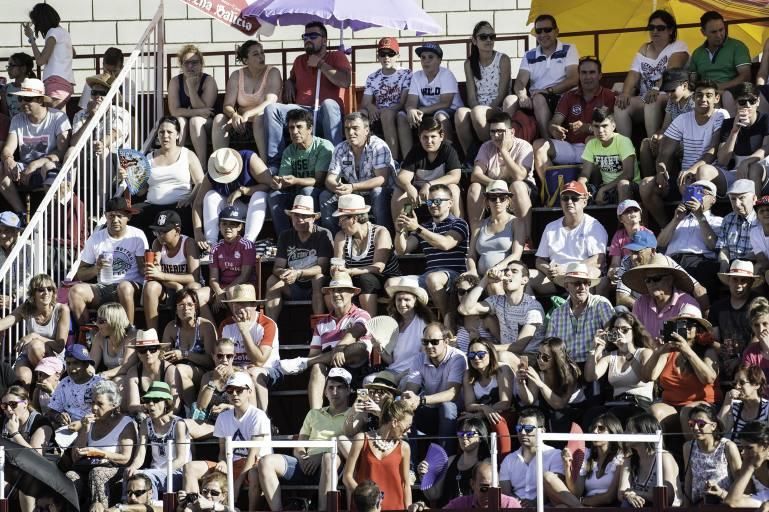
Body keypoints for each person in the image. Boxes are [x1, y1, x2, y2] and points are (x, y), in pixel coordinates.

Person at [256, 368, 351, 512]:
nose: (335, 392)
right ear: (325, 392)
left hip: (333, 463)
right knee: (265, 462)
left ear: (349, 390)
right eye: (331, 387)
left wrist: (318, 457)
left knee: (329, 458)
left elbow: (350, 447)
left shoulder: (353, 415)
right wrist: (302, 457)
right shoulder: (314, 413)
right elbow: (299, 444)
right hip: (306, 464)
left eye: (340, 387)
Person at [263, 21, 351, 168]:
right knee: (271, 109)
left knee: (329, 104)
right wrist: (289, 82)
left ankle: (336, 163)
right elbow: (293, 79)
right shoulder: (299, 60)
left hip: (326, 114)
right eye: (305, 36)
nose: (308, 39)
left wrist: (321, 65)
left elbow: (345, 82)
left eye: (313, 36)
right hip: (302, 112)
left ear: (324, 40)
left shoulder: (336, 57)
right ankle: (275, 164)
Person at [641, 80, 728, 226]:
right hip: (685, 177)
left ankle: (695, 227)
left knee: (695, 178)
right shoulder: (682, 119)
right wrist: (661, 170)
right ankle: (666, 229)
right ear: (694, 98)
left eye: (709, 95)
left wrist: (691, 170)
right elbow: (665, 151)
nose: (703, 99)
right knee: (646, 185)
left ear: (716, 98)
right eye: (699, 95)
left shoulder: (720, 115)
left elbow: (712, 151)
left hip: (710, 175)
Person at [279, 272, 371, 409]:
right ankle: (315, 417)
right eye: (333, 291)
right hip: (330, 369)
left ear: (352, 293)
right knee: (316, 367)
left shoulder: (362, 315)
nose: (336, 294)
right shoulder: (322, 323)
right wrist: (330, 355)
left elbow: (357, 330)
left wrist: (340, 349)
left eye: (341, 290)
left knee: (359, 348)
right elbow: (313, 354)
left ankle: (302, 363)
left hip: (356, 366)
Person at [182, 372, 271, 508]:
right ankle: (195, 508)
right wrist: (223, 461)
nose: (234, 394)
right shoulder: (223, 417)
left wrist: (236, 484)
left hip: (253, 464)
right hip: (232, 463)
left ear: (249, 391)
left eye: (239, 390)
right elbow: (222, 451)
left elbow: (253, 456)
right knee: (190, 467)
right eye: (230, 390)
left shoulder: (258, 416)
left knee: (253, 474)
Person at [532, 56, 616, 186]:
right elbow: (555, 122)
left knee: (591, 141)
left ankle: (593, 191)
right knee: (539, 145)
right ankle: (552, 193)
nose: (587, 77)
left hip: (595, 146)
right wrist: (555, 129)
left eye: (592, 72)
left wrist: (587, 128)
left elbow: (612, 129)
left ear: (600, 75)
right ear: (579, 75)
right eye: (583, 73)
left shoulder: (609, 96)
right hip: (570, 147)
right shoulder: (569, 96)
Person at [68, 196, 148, 325]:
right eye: (111, 216)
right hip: (104, 287)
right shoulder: (96, 238)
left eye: (119, 216)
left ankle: (128, 331)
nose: (115, 220)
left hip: (132, 287)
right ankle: (86, 335)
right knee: (75, 291)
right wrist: (96, 268)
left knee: (124, 287)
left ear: (128, 217)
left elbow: (142, 268)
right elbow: (81, 274)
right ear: (105, 216)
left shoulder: (137, 235)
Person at [642, 304, 719, 438]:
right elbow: (649, 376)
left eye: (691, 324)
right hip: (672, 405)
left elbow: (708, 378)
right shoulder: (669, 351)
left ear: (698, 330)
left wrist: (687, 350)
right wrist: (658, 351)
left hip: (702, 404)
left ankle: (690, 454)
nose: (686, 327)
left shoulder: (708, 351)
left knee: (687, 412)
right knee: (655, 411)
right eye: (682, 323)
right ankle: (660, 455)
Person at [395, 184, 470, 319]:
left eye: (437, 201)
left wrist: (417, 228)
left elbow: (446, 244)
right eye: (429, 202)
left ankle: (449, 321)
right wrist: (400, 230)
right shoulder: (425, 226)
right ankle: (417, 324)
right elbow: (402, 250)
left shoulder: (459, 223)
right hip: (430, 275)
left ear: (450, 203)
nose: (433, 205)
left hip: (455, 274)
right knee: (392, 283)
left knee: (433, 279)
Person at [127, 116, 205, 242]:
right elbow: (142, 191)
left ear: (178, 135)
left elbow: (201, 182)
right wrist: (129, 178)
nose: (165, 135)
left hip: (179, 206)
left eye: (170, 132)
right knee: (130, 214)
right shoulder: (148, 157)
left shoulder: (188, 155)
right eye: (161, 132)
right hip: (152, 206)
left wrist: (190, 198)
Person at [614, 10, 689, 139]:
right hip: (646, 95)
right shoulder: (644, 49)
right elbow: (633, 73)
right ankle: (627, 152)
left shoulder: (678, 46)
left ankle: (652, 147)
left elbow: (671, 71)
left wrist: (656, 88)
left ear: (670, 30)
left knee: (652, 102)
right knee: (621, 106)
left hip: (668, 94)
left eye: (660, 28)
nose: (655, 31)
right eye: (651, 27)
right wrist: (625, 93)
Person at [1, 77, 70, 213]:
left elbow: (62, 151)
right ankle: (21, 214)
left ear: (40, 100)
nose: (22, 103)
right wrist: (8, 159)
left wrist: (35, 164)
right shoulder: (17, 119)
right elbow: (8, 148)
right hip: (23, 167)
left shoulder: (58, 118)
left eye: (27, 99)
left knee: (48, 168)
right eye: (21, 99)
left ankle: (50, 215)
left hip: (47, 166)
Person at [505, 14, 579, 140]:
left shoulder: (569, 49)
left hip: (563, 97)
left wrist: (548, 91)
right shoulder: (529, 55)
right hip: (537, 99)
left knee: (539, 98)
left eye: (547, 29)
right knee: (509, 100)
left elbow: (573, 79)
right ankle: (506, 143)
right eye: (539, 31)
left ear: (556, 31)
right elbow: (519, 82)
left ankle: (547, 143)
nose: (543, 34)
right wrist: (522, 96)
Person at [320, 112, 395, 233]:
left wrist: (352, 187)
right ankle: (333, 241)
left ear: (366, 130)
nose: (350, 133)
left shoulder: (378, 146)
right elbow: (329, 179)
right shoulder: (340, 148)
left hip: (380, 193)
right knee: (325, 196)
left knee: (378, 192)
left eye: (355, 128)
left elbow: (382, 179)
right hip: (353, 194)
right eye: (347, 128)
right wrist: (338, 188)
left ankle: (385, 239)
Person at [67, 380, 137, 509]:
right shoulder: (90, 421)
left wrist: (100, 453)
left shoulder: (126, 424)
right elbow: (75, 457)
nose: (94, 408)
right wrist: (84, 428)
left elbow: (126, 458)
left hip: (114, 469)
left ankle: (101, 509)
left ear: (114, 405)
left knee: (97, 473)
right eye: (92, 402)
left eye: (100, 404)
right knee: (71, 476)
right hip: (88, 466)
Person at [401, 322, 467, 456]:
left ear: (446, 341)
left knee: (447, 406)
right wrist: (409, 399)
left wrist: (420, 400)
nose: (429, 346)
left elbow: (452, 393)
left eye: (434, 342)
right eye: (425, 342)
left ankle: (445, 461)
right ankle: (410, 464)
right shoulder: (419, 358)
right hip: (429, 411)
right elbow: (411, 390)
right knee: (404, 405)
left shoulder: (457, 358)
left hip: (456, 415)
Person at [467, 111, 535, 236]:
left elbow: (519, 176)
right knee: (475, 187)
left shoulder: (524, 146)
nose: (496, 135)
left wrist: (503, 151)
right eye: (492, 132)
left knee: (517, 186)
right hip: (495, 189)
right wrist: (497, 186)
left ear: (511, 132)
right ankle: (475, 237)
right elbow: (475, 175)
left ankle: (526, 237)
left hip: (523, 190)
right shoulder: (486, 147)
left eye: (500, 131)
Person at [266, 109, 333, 234]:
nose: (294, 131)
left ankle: (314, 235)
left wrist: (296, 180)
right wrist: (279, 183)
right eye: (291, 128)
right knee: (274, 195)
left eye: (299, 127)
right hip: (295, 193)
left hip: (319, 193)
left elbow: (319, 180)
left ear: (310, 129)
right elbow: (284, 179)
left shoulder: (323, 146)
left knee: (306, 191)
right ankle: (286, 239)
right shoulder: (289, 151)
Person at [265, 195, 331, 321]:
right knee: (272, 281)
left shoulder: (323, 234)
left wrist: (299, 273)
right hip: (292, 285)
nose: (299, 219)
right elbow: (277, 267)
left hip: (316, 287)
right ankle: (271, 329)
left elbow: (322, 267)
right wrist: (284, 273)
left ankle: (318, 327)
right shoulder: (285, 236)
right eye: (296, 215)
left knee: (318, 278)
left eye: (304, 216)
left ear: (313, 218)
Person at [332, 194, 400, 316]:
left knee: (366, 280)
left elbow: (378, 267)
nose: (339, 224)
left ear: (353, 219)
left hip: (384, 279)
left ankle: (368, 326)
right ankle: (340, 324)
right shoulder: (341, 236)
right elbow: (338, 262)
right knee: (331, 285)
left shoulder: (380, 232)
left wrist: (350, 271)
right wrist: (335, 270)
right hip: (356, 278)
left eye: (341, 219)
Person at [192, 146, 271, 251]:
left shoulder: (249, 159)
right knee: (210, 196)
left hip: (255, 206)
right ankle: (211, 244)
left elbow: (270, 185)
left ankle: (247, 243)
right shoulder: (213, 171)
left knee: (259, 195)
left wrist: (243, 191)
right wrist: (197, 232)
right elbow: (197, 203)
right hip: (232, 206)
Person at [697, 82, 769, 196]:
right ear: (736, 104)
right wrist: (734, 131)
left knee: (754, 168)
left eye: (752, 101)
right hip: (735, 173)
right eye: (742, 102)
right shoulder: (728, 124)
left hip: (760, 170)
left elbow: (766, 148)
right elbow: (722, 160)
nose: (748, 105)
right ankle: (703, 211)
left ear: (758, 102)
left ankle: (755, 210)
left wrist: (747, 161)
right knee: (703, 170)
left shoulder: (765, 119)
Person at [212, 40, 282, 158]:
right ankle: (219, 163)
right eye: (256, 54)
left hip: (267, 118)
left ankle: (266, 165)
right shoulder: (236, 75)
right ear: (245, 60)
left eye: (262, 53)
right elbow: (227, 105)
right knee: (219, 119)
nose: (261, 57)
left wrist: (248, 114)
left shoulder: (273, 72)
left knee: (259, 118)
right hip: (243, 119)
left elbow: (270, 101)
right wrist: (234, 115)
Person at [460, 261, 544, 356]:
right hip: (507, 354)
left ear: (524, 280)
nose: (508, 273)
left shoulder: (532, 308)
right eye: (506, 270)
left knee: (499, 356)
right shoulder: (497, 301)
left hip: (529, 357)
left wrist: (486, 347)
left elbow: (519, 346)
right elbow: (465, 309)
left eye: (514, 271)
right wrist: (485, 280)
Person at [535, 181, 608, 290]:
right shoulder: (550, 227)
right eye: (565, 198)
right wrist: (548, 270)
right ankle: (530, 307)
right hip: (556, 277)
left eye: (574, 198)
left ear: (584, 202)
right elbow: (540, 260)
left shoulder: (593, 226)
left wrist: (567, 269)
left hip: (581, 276)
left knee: (593, 273)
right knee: (526, 277)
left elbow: (598, 260)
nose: (569, 201)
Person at [219, 284, 281, 411]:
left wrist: (244, 331)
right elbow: (220, 358)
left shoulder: (267, 324)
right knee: (210, 376)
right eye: (235, 304)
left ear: (254, 305)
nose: (239, 308)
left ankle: (263, 419)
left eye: (243, 304)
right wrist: (237, 369)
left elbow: (259, 361)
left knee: (253, 374)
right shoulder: (226, 325)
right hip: (237, 370)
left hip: (268, 370)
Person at [584, 312, 654, 425]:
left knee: (613, 416)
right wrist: (595, 349)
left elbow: (644, 377)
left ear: (634, 332)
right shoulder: (610, 356)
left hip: (639, 403)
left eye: (624, 329)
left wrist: (627, 352)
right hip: (616, 403)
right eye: (616, 329)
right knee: (591, 414)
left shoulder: (644, 353)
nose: (619, 333)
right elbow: (590, 376)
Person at [125, 382, 191, 500]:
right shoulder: (146, 423)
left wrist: (158, 471)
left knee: (146, 478)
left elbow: (181, 459)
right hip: (154, 472)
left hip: (176, 473)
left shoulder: (179, 424)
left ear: (166, 402)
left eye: (155, 400)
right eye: (147, 401)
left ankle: (152, 508)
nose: (150, 404)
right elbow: (140, 454)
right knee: (130, 474)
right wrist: (133, 467)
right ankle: (125, 504)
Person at [454, 21, 511, 158]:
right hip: (478, 108)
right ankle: (471, 158)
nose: (489, 40)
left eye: (492, 36)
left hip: (497, 106)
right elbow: (471, 96)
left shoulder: (503, 59)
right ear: (474, 40)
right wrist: (475, 109)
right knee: (460, 113)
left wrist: (481, 110)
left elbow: (502, 93)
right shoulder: (469, 63)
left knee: (478, 112)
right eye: (484, 37)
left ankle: (493, 155)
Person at [656, 179, 722, 297]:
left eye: (702, 192)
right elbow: (660, 243)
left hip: (698, 263)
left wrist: (699, 215)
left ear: (713, 199)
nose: (697, 195)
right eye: (693, 191)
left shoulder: (718, 221)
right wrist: (675, 220)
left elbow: (713, 245)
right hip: (671, 263)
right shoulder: (679, 219)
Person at [344, 399, 413, 511]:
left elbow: (406, 484)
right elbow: (347, 477)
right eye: (408, 426)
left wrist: (409, 509)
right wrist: (366, 499)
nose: (408, 431)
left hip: (395, 507)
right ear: (395, 422)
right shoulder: (361, 439)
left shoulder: (404, 447)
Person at [0, 273, 69, 385]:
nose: (46, 293)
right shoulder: (27, 308)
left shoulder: (61, 310)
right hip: (28, 354)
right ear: (33, 293)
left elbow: (60, 346)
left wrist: (34, 336)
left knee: (35, 344)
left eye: (50, 289)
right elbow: (5, 322)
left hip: (55, 356)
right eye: (41, 289)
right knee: (22, 378)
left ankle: (47, 383)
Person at [392, 116, 463, 223]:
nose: (429, 141)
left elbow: (455, 176)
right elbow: (402, 176)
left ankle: (454, 229)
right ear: (419, 137)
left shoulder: (448, 150)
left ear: (441, 136)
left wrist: (429, 184)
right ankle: (402, 232)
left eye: (433, 136)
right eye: (425, 137)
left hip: (440, 194)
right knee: (399, 194)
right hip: (418, 197)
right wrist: (408, 187)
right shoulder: (416, 150)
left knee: (453, 189)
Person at [399, 42, 464, 155]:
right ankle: (408, 160)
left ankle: (448, 156)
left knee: (440, 115)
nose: (426, 60)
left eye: (430, 57)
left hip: (451, 111)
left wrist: (421, 110)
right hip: (425, 112)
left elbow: (446, 103)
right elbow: (411, 101)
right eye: (423, 57)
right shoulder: (417, 76)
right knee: (402, 116)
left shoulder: (446, 74)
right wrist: (410, 110)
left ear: (439, 60)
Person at [143, 210, 202, 331]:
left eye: (164, 231)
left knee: (193, 287)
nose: (159, 235)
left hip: (188, 287)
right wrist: (175, 284)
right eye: (157, 231)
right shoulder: (157, 244)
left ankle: (194, 331)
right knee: (151, 287)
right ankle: (152, 333)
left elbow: (193, 277)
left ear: (177, 231)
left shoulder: (188, 243)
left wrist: (162, 275)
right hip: (168, 287)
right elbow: (154, 275)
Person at [415, 416, 490, 507]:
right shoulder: (450, 460)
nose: (464, 437)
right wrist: (423, 475)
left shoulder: (486, 464)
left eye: (469, 434)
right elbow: (433, 495)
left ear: (481, 437)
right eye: (461, 434)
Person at [546, 264, 614, 365]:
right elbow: (549, 346)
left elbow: (612, 335)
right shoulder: (557, 313)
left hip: (595, 363)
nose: (582, 287)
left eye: (586, 283)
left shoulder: (601, 304)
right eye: (577, 283)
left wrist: (598, 350)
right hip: (566, 367)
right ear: (566, 286)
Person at [621, 253, 701, 339]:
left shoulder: (688, 303)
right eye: (648, 280)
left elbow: (683, 338)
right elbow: (635, 335)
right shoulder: (641, 303)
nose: (652, 283)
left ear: (670, 280)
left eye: (656, 279)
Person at [0, 385, 53, 512]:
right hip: (12, 469)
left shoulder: (41, 422)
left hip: (42, 472)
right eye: (4, 405)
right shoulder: (4, 421)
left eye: (13, 404)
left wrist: (15, 434)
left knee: (27, 483)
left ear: (25, 403)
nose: (8, 410)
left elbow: (35, 458)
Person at [161, 290, 216, 410]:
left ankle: (193, 410)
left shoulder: (205, 327)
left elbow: (211, 362)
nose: (186, 308)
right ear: (175, 309)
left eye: (190, 304)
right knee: (170, 370)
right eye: (181, 305)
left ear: (196, 307)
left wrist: (184, 354)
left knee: (180, 369)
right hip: (177, 372)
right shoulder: (171, 328)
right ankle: (173, 409)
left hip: (203, 372)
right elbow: (163, 356)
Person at [516, 337, 586, 432]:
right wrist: (521, 384)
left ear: (556, 357)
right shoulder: (537, 369)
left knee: (558, 415)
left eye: (545, 357)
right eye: (538, 355)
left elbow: (561, 405)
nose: (540, 360)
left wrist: (540, 384)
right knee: (527, 412)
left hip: (574, 407)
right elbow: (530, 400)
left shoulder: (570, 371)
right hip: (549, 406)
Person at [499, 407, 566, 506]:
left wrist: (535, 503)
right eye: (519, 428)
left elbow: (554, 490)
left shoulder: (554, 455)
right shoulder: (509, 459)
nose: (522, 433)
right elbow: (505, 494)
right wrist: (517, 504)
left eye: (528, 429)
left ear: (542, 431)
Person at [196, 204, 255, 315]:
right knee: (197, 296)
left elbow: (244, 276)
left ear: (240, 227)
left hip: (244, 286)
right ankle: (211, 330)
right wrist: (218, 292)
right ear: (219, 226)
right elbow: (213, 278)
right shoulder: (215, 248)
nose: (228, 228)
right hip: (221, 288)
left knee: (233, 292)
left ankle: (240, 328)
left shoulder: (247, 245)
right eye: (224, 224)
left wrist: (223, 292)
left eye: (232, 224)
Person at [688, 11, 751, 115]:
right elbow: (693, 81)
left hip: (730, 92)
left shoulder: (737, 47)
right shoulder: (697, 53)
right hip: (705, 93)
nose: (719, 35)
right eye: (713, 32)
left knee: (719, 97)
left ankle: (728, 130)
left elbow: (746, 76)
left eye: (721, 30)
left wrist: (718, 87)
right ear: (703, 32)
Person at [361, 37, 412, 161]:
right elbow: (365, 102)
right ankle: (359, 159)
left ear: (398, 56)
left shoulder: (406, 73)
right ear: (378, 57)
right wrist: (370, 106)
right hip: (379, 114)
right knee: (359, 114)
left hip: (399, 111)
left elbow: (402, 102)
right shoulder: (372, 77)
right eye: (383, 54)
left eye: (391, 54)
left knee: (388, 114)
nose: (386, 57)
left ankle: (393, 161)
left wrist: (385, 111)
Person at [709, 260, 762, 377]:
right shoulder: (717, 307)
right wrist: (721, 350)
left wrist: (741, 359)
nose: (738, 285)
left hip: (753, 360)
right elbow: (715, 338)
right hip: (724, 359)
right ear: (729, 281)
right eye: (735, 279)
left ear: (751, 282)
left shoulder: (757, 305)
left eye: (743, 281)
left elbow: (758, 337)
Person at [167, 44, 218, 166]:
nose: (190, 66)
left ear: (201, 64)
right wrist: (198, 112)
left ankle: (202, 166)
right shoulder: (175, 81)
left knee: (195, 121)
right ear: (181, 65)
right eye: (186, 63)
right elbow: (174, 111)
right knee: (180, 121)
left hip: (207, 124)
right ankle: (175, 162)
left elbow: (205, 111)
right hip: (186, 122)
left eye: (194, 63)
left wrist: (191, 87)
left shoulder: (208, 80)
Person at [461, 338, 513, 456]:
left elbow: (505, 403)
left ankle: (503, 459)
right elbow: (469, 405)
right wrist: (484, 408)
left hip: (507, 412)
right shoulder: (468, 375)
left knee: (497, 421)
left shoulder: (502, 369)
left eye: (481, 354)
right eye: (472, 355)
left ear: (491, 353)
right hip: (485, 412)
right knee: (464, 422)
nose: (476, 358)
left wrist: (480, 414)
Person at [638, 68, 694, 178]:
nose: (669, 94)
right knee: (646, 143)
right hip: (673, 141)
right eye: (667, 91)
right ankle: (649, 181)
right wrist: (657, 136)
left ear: (685, 86)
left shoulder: (694, 103)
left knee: (667, 145)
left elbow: (693, 134)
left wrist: (665, 140)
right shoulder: (672, 102)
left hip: (690, 144)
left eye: (672, 90)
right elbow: (665, 127)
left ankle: (665, 181)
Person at [559, 413, 625, 507]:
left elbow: (609, 497)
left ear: (612, 431)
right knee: (561, 507)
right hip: (586, 504)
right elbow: (577, 492)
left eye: (601, 428)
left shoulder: (620, 456)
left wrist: (580, 502)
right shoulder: (587, 455)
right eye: (593, 428)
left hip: (607, 506)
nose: (595, 431)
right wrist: (567, 466)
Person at [466, 180, 525, 284]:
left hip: (504, 274)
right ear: (487, 201)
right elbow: (471, 255)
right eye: (493, 198)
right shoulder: (478, 225)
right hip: (480, 277)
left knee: (494, 285)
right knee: (463, 286)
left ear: (508, 201)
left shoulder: (517, 222)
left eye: (502, 198)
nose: (497, 201)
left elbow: (516, 255)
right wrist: (472, 271)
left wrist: (497, 268)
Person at [618, 413, 682, 507]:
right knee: (626, 504)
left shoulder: (664, 457)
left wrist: (634, 493)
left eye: (629, 430)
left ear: (643, 433)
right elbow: (621, 493)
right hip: (641, 507)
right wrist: (628, 496)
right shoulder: (629, 460)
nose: (624, 433)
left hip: (667, 509)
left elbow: (667, 496)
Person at [579, 107, 640, 205]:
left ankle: (624, 220)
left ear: (613, 126)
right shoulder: (591, 144)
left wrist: (603, 189)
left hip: (630, 186)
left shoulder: (623, 141)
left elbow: (628, 175)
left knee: (622, 185)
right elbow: (585, 173)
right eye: (596, 126)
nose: (600, 130)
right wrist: (581, 185)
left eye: (604, 126)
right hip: (607, 188)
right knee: (578, 191)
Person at [682, 404, 740, 505]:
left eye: (701, 424)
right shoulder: (688, 447)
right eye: (691, 423)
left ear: (713, 426)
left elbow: (739, 480)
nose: (695, 428)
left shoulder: (728, 447)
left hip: (724, 504)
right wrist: (686, 506)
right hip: (698, 505)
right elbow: (688, 479)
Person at [380, 277, 434, 381]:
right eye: (399, 300)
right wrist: (380, 349)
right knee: (368, 381)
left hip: (415, 372)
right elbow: (392, 361)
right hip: (393, 371)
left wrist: (399, 377)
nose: (402, 304)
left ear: (416, 301)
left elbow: (425, 359)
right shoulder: (392, 323)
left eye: (407, 300)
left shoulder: (424, 324)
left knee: (405, 383)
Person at [24, 3, 74, 109]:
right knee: (57, 119)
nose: (34, 25)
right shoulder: (63, 32)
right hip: (66, 82)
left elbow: (40, 61)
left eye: (35, 21)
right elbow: (73, 52)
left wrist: (31, 39)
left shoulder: (52, 33)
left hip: (55, 82)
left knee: (50, 119)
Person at [45, 344, 104, 430]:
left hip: (92, 429)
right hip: (67, 430)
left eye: (76, 363)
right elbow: (51, 411)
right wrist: (58, 416)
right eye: (68, 363)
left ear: (86, 364)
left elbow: (106, 413)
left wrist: (81, 423)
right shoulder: (64, 383)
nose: (71, 368)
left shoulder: (99, 384)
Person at [124, 329, 181, 415]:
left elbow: (176, 406)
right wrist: (150, 408)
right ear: (138, 353)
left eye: (152, 349)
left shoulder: (170, 370)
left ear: (158, 350)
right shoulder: (133, 373)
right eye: (142, 349)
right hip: (144, 416)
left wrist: (163, 417)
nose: (147, 353)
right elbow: (132, 406)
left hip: (168, 416)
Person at [89, 302, 137, 385]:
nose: (96, 324)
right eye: (96, 320)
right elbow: (91, 364)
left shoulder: (132, 336)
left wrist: (102, 375)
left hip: (129, 378)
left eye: (101, 321)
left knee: (118, 380)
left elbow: (126, 367)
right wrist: (88, 376)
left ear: (114, 321)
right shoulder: (99, 336)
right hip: (107, 379)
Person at [724, 422, 769, 508]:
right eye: (742, 448)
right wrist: (750, 468)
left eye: (749, 448)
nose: (743, 453)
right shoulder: (748, 462)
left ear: (765, 446)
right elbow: (732, 501)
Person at [343, 370, 399, 439]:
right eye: (372, 391)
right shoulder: (367, 411)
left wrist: (379, 413)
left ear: (391, 395)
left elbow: (396, 433)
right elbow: (349, 433)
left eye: (380, 392)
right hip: (368, 447)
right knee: (342, 439)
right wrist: (351, 413)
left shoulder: (397, 408)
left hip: (389, 446)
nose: (375, 395)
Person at [718, 364, 769, 440]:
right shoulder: (734, 407)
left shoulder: (767, 408)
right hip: (737, 450)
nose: (737, 386)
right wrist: (726, 403)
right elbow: (722, 430)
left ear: (756, 384)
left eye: (742, 382)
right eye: (735, 383)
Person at [716, 178, 757, 270]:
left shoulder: (761, 220)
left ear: (754, 199)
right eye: (733, 199)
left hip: (753, 265)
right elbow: (723, 248)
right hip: (731, 265)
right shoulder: (727, 219)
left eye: (742, 198)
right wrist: (724, 264)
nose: (737, 204)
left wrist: (740, 264)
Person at [0, 52, 35, 119]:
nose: (8, 69)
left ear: (23, 68)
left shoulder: (33, 88)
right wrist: (3, 97)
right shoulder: (6, 88)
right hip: (12, 127)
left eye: (12, 65)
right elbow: (5, 116)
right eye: (8, 66)